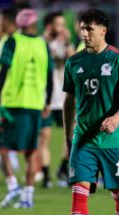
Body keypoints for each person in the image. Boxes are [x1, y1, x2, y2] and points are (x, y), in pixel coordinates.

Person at [61, 9, 119, 215]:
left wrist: (117, 118)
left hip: (113, 142)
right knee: (79, 189)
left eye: (89, 29)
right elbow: (68, 101)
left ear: (103, 30)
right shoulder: (74, 62)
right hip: (83, 139)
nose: (84, 33)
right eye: (82, 28)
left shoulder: (118, 59)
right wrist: (67, 136)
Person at [0, 9, 54, 209]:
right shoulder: (42, 44)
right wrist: (47, 100)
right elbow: (50, 75)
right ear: (35, 24)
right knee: (31, 150)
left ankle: (13, 187)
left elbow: (3, 70)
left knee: (2, 148)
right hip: (35, 104)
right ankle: (28, 196)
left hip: (13, 103)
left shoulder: (12, 41)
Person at [39, 11, 75, 188]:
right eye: (58, 24)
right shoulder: (39, 43)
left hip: (63, 98)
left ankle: (63, 168)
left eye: (63, 24)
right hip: (44, 98)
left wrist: (68, 42)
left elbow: (74, 63)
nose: (62, 28)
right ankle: (45, 175)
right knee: (44, 137)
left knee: (71, 135)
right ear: (49, 26)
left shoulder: (65, 44)